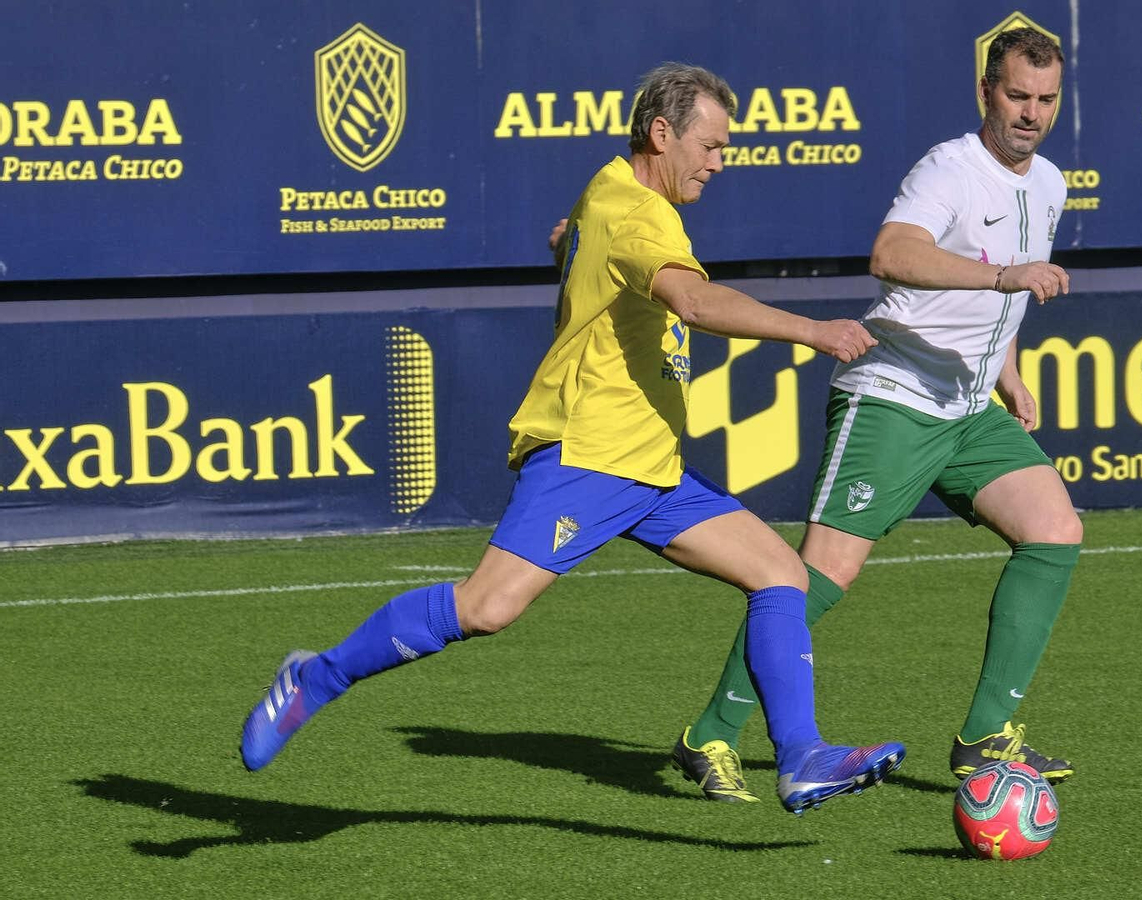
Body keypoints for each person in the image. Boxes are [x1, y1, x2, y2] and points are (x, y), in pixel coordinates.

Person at [240, 62, 905, 815]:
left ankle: (802, 756)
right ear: (662, 133)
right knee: (486, 609)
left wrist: (569, 245)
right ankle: (316, 677)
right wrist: (812, 330)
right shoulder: (639, 216)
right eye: (712, 145)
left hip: (650, 466)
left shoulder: (611, 188)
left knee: (780, 575)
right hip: (589, 454)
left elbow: (578, 234)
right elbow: (692, 298)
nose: (721, 161)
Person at [672, 27, 1081, 802]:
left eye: (1046, 99)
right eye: (1018, 96)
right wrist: (1004, 277)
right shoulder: (949, 169)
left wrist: (1009, 373)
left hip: (967, 402)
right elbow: (892, 253)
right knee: (816, 575)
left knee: (1055, 530)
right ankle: (710, 733)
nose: (1031, 113)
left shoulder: (1052, 183)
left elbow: (1010, 296)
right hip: (893, 393)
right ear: (986, 93)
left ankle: (985, 738)